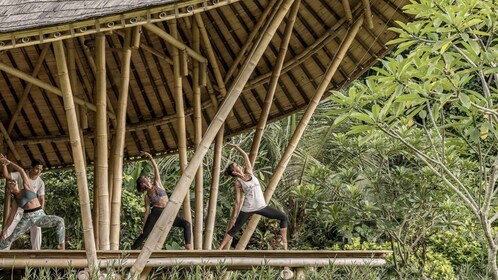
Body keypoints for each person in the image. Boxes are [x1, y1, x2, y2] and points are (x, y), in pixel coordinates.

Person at [219, 143, 288, 250]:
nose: (239, 165)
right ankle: (220, 248)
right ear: (234, 171)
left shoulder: (249, 172)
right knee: (235, 228)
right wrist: (234, 216)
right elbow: (238, 201)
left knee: (283, 217)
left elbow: (245, 156)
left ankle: (284, 241)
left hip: (261, 206)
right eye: (236, 165)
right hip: (248, 208)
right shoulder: (238, 183)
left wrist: (236, 147)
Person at [0, 154, 65, 250]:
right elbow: (10, 217)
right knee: (10, 238)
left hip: (39, 215)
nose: (12, 182)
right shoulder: (16, 201)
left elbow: (21, 170)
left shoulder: (27, 187)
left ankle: (61, 245)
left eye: (13, 182)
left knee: (60, 221)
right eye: (10, 184)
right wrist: (3, 231)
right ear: (9, 190)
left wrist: (9, 162)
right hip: (26, 218)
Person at [131, 151, 192, 250]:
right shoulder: (147, 196)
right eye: (145, 177)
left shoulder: (157, 183)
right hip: (156, 212)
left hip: (168, 211)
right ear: (143, 183)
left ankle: (188, 246)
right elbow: (147, 212)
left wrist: (150, 156)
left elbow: (156, 169)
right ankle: (131, 251)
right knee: (145, 233)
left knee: (186, 224)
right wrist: (144, 225)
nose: (147, 177)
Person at [3, 159, 45, 249]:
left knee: (37, 228)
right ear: (31, 168)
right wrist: (4, 164)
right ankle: (3, 250)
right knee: (8, 229)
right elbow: (7, 175)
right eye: (37, 169)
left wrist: (40, 213)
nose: (38, 172)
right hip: (19, 208)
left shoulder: (40, 182)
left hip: (33, 210)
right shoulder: (21, 175)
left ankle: (36, 253)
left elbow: (41, 199)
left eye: (41, 170)